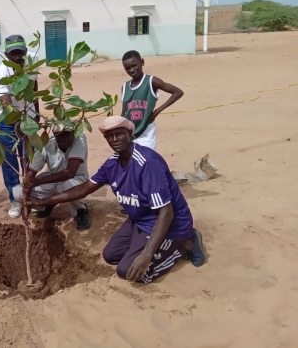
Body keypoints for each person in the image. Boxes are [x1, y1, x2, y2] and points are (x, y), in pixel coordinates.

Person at [25, 116, 205, 283]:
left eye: (119, 133)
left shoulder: (147, 164)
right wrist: (44, 202)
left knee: (130, 272)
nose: (115, 139)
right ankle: (149, 246)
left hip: (169, 225)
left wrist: (146, 255)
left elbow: (166, 212)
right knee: (111, 256)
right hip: (139, 221)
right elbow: (83, 189)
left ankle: (185, 244)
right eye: (110, 136)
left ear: (130, 134)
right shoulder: (112, 163)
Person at [0, 35, 40, 218]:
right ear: (6, 55)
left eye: (20, 52)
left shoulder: (32, 62)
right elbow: (6, 102)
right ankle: (15, 200)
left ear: (26, 51)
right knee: (11, 161)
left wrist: (35, 115)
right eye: (13, 53)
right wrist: (19, 121)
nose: (18, 57)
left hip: (27, 116)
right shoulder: (2, 72)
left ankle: (28, 196)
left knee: (30, 160)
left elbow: (34, 88)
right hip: (6, 120)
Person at [13, 123, 91, 230]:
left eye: (67, 134)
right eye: (59, 134)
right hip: (52, 179)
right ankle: (46, 205)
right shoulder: (46, 143)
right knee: (17, 192)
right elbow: (31, 174)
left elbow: (70, 173)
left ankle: (80, 210)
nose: (63, 138)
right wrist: (25, 203)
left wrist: (39, 181)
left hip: (76, 178)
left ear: (73, 133)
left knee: (69, 186)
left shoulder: (80, 139)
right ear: (54, 134)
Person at [120, 50, 184, 151]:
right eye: (127, 68)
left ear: (142, 62)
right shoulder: (125, 87)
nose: (131, 70)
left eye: (134, 65)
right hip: (130, 135)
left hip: (146, 134)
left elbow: (178, 92)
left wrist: (156, 112)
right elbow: (124, 112)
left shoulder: (151, 81)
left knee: (146, 161)